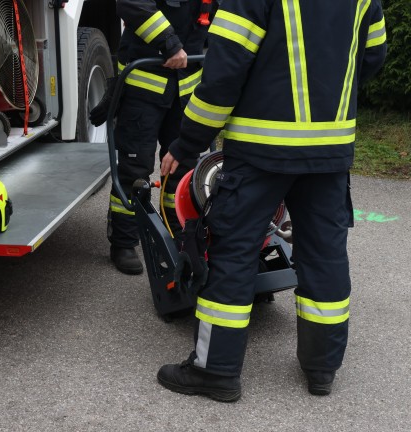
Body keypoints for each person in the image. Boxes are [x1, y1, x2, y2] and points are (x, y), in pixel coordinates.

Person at [157, 0, 387, 402]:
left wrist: (188, 140)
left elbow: (224, 72)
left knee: (232, 251)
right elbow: (372, 56)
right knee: (325, 254)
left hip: (261, 150)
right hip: (329, 150)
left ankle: (216, 371)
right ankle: (322, 368)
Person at [90, 0, 216, 275]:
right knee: (135, 170)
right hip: (143, 86)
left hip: (186, 88)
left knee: (183, 171)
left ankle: (178, 236)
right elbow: (130, 3)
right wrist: (169, 43)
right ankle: (123, 241)